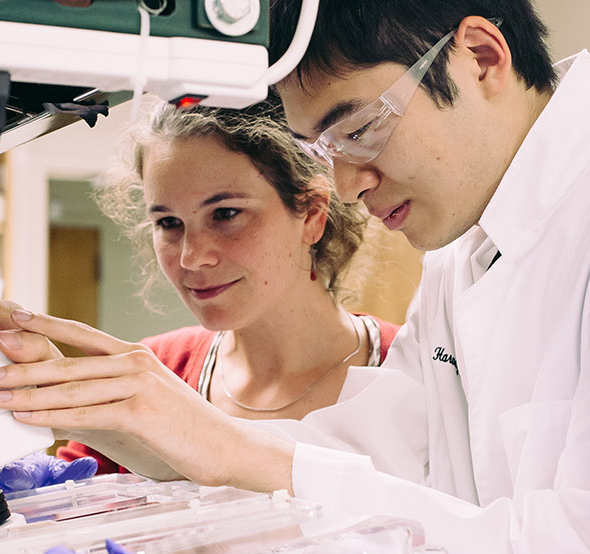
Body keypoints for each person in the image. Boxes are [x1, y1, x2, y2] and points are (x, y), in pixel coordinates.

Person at [0, 1, 590, 554]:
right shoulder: (466, 248)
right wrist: (144, 434)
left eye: (361, 128)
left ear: (480, 55)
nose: (346, 189)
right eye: (323, 154)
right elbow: (384, 466)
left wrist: (203, 441)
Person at [54, 101, 398, 473]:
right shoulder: (153, 376)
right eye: (169, 222)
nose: (191, 257)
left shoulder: (413, 367)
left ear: (312, 214)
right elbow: (62, 508)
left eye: (225, 214)